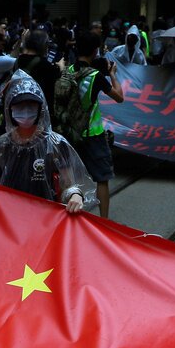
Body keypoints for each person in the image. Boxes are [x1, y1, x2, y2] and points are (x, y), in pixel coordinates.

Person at [0, 70, 95, 215]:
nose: (25, 111)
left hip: (45, 217)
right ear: (9, 109)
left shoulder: (55, 144)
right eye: (19, 106)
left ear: (40, 108)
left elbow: (68, 185)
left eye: (31, 106)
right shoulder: (2, 145)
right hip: (8, 216)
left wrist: (75, 195)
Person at [55, 31, 125, 218]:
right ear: (95, 51)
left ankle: (66, 217)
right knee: (102, 178)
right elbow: (119, 97)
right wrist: (112, 74)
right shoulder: (95, 76)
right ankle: (104, 221)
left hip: (69, 134)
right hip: (93, 135)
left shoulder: (67, 71)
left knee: (68, 178)